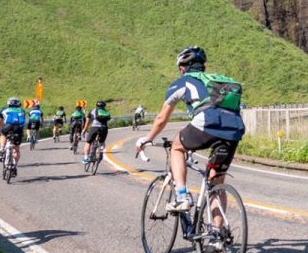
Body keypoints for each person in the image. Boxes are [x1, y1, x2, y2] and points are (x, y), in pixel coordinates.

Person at [135, 46, 245, 212]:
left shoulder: (182, 81)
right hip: (235, 128)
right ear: (203, 67)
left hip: (207, 122)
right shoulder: (216, 81)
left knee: (176, 148)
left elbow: (161, 119)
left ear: (182, 68)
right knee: (217, 182)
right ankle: (218, 234)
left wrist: (148, 138)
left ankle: (181, 197)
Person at [0, 97, 26, 173]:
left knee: (3, 134)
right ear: (19, 104)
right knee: (16, 150)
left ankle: (2, 148)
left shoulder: (3, 110)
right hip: (18, 129)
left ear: (8, 103)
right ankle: (14, 166)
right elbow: (23, 122)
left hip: (7, 127)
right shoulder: (22, 111)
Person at [82, 100, 111, 164]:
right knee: (102, 142)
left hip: (94, 128)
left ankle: (85, 158)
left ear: (96, 105)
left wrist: (84, 130)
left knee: (88, 142)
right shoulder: (105, 112)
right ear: (104, 106)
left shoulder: (93, 111)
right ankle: (101, 151)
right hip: (104, 128)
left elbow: (87, 121)